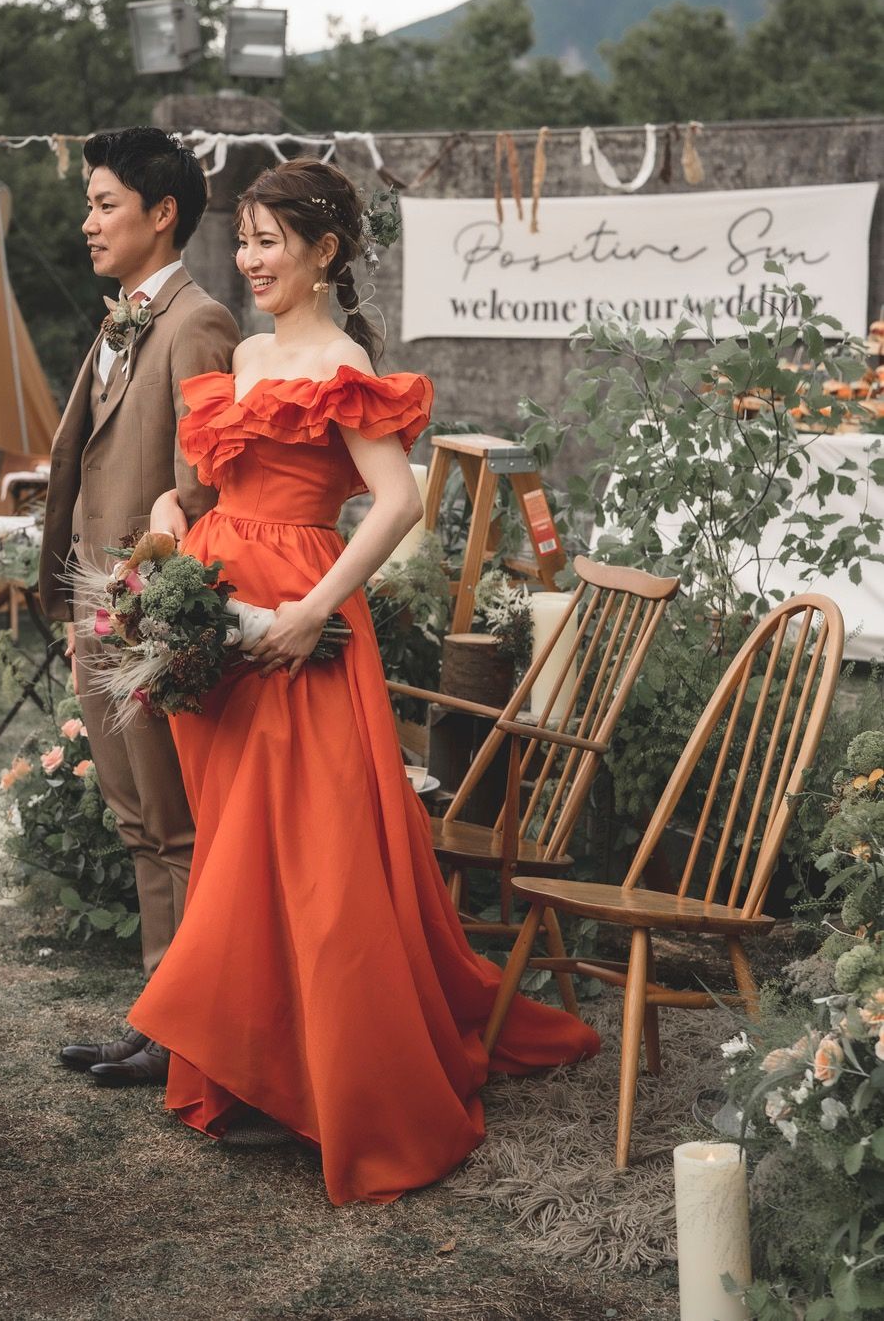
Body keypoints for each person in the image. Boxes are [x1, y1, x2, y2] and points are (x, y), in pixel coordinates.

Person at [127, 157, 600, 1205]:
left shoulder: (340, 363)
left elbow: (395, 502)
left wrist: (311, 611)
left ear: (323, 250)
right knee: (239, 846)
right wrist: (170, 516)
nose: (250, 260)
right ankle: (256, 1061)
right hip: (218, 619)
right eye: (242, 241)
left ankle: (331, 1078)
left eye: (268, 242)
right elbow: (212, 485)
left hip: (297, 619)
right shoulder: (245, 353)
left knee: (310, 854)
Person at [38, 127, 241, 1087]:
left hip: (147, 613)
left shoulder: (199, 322)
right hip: (95, 607)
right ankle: (158, 1015)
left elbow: (202, 488)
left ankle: (192, 1028)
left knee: (176, 825)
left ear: (163, 214)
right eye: (89, 204)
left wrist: (145, 607)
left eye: (104, 203)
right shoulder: (121, 317)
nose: (88, 222)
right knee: (135, 821)